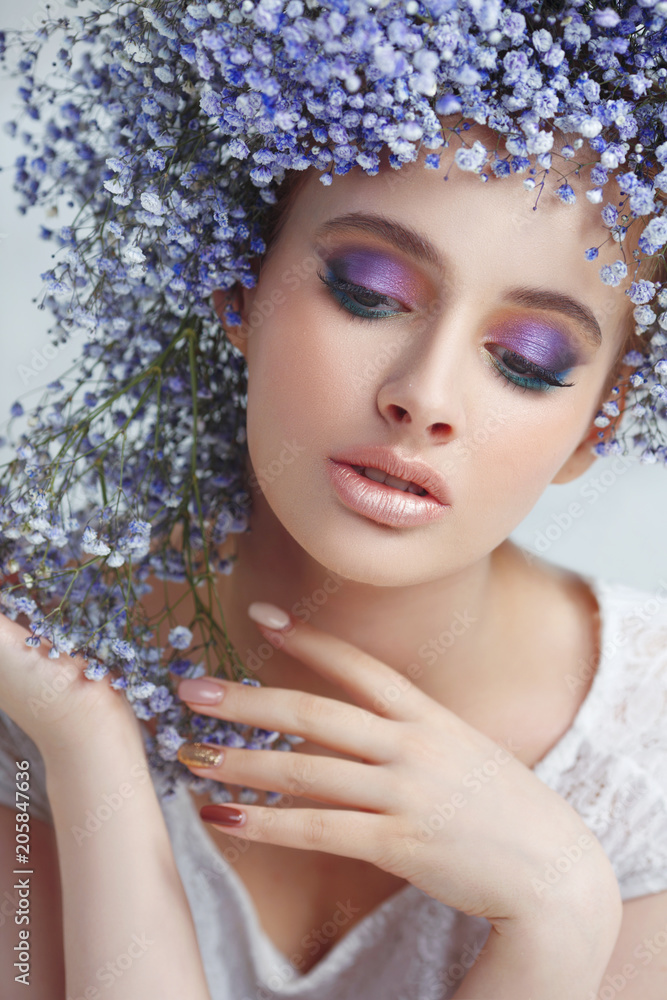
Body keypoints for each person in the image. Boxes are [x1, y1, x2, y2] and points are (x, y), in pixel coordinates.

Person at [0, 3, 666, 999]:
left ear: (596, 428)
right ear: (238, 284)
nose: (424, 396)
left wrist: (559, 917)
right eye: (367, 290)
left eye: (528, 362)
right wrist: (88, 742)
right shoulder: (36, 655)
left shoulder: (647, 764)